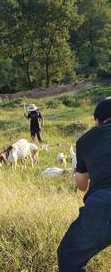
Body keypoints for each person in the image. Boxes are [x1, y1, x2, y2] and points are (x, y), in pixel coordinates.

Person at [57, 98, 111, 271]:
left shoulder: (86, 139)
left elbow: (82, 185)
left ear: (97, 121)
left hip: (104, 203)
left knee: (69, 255)